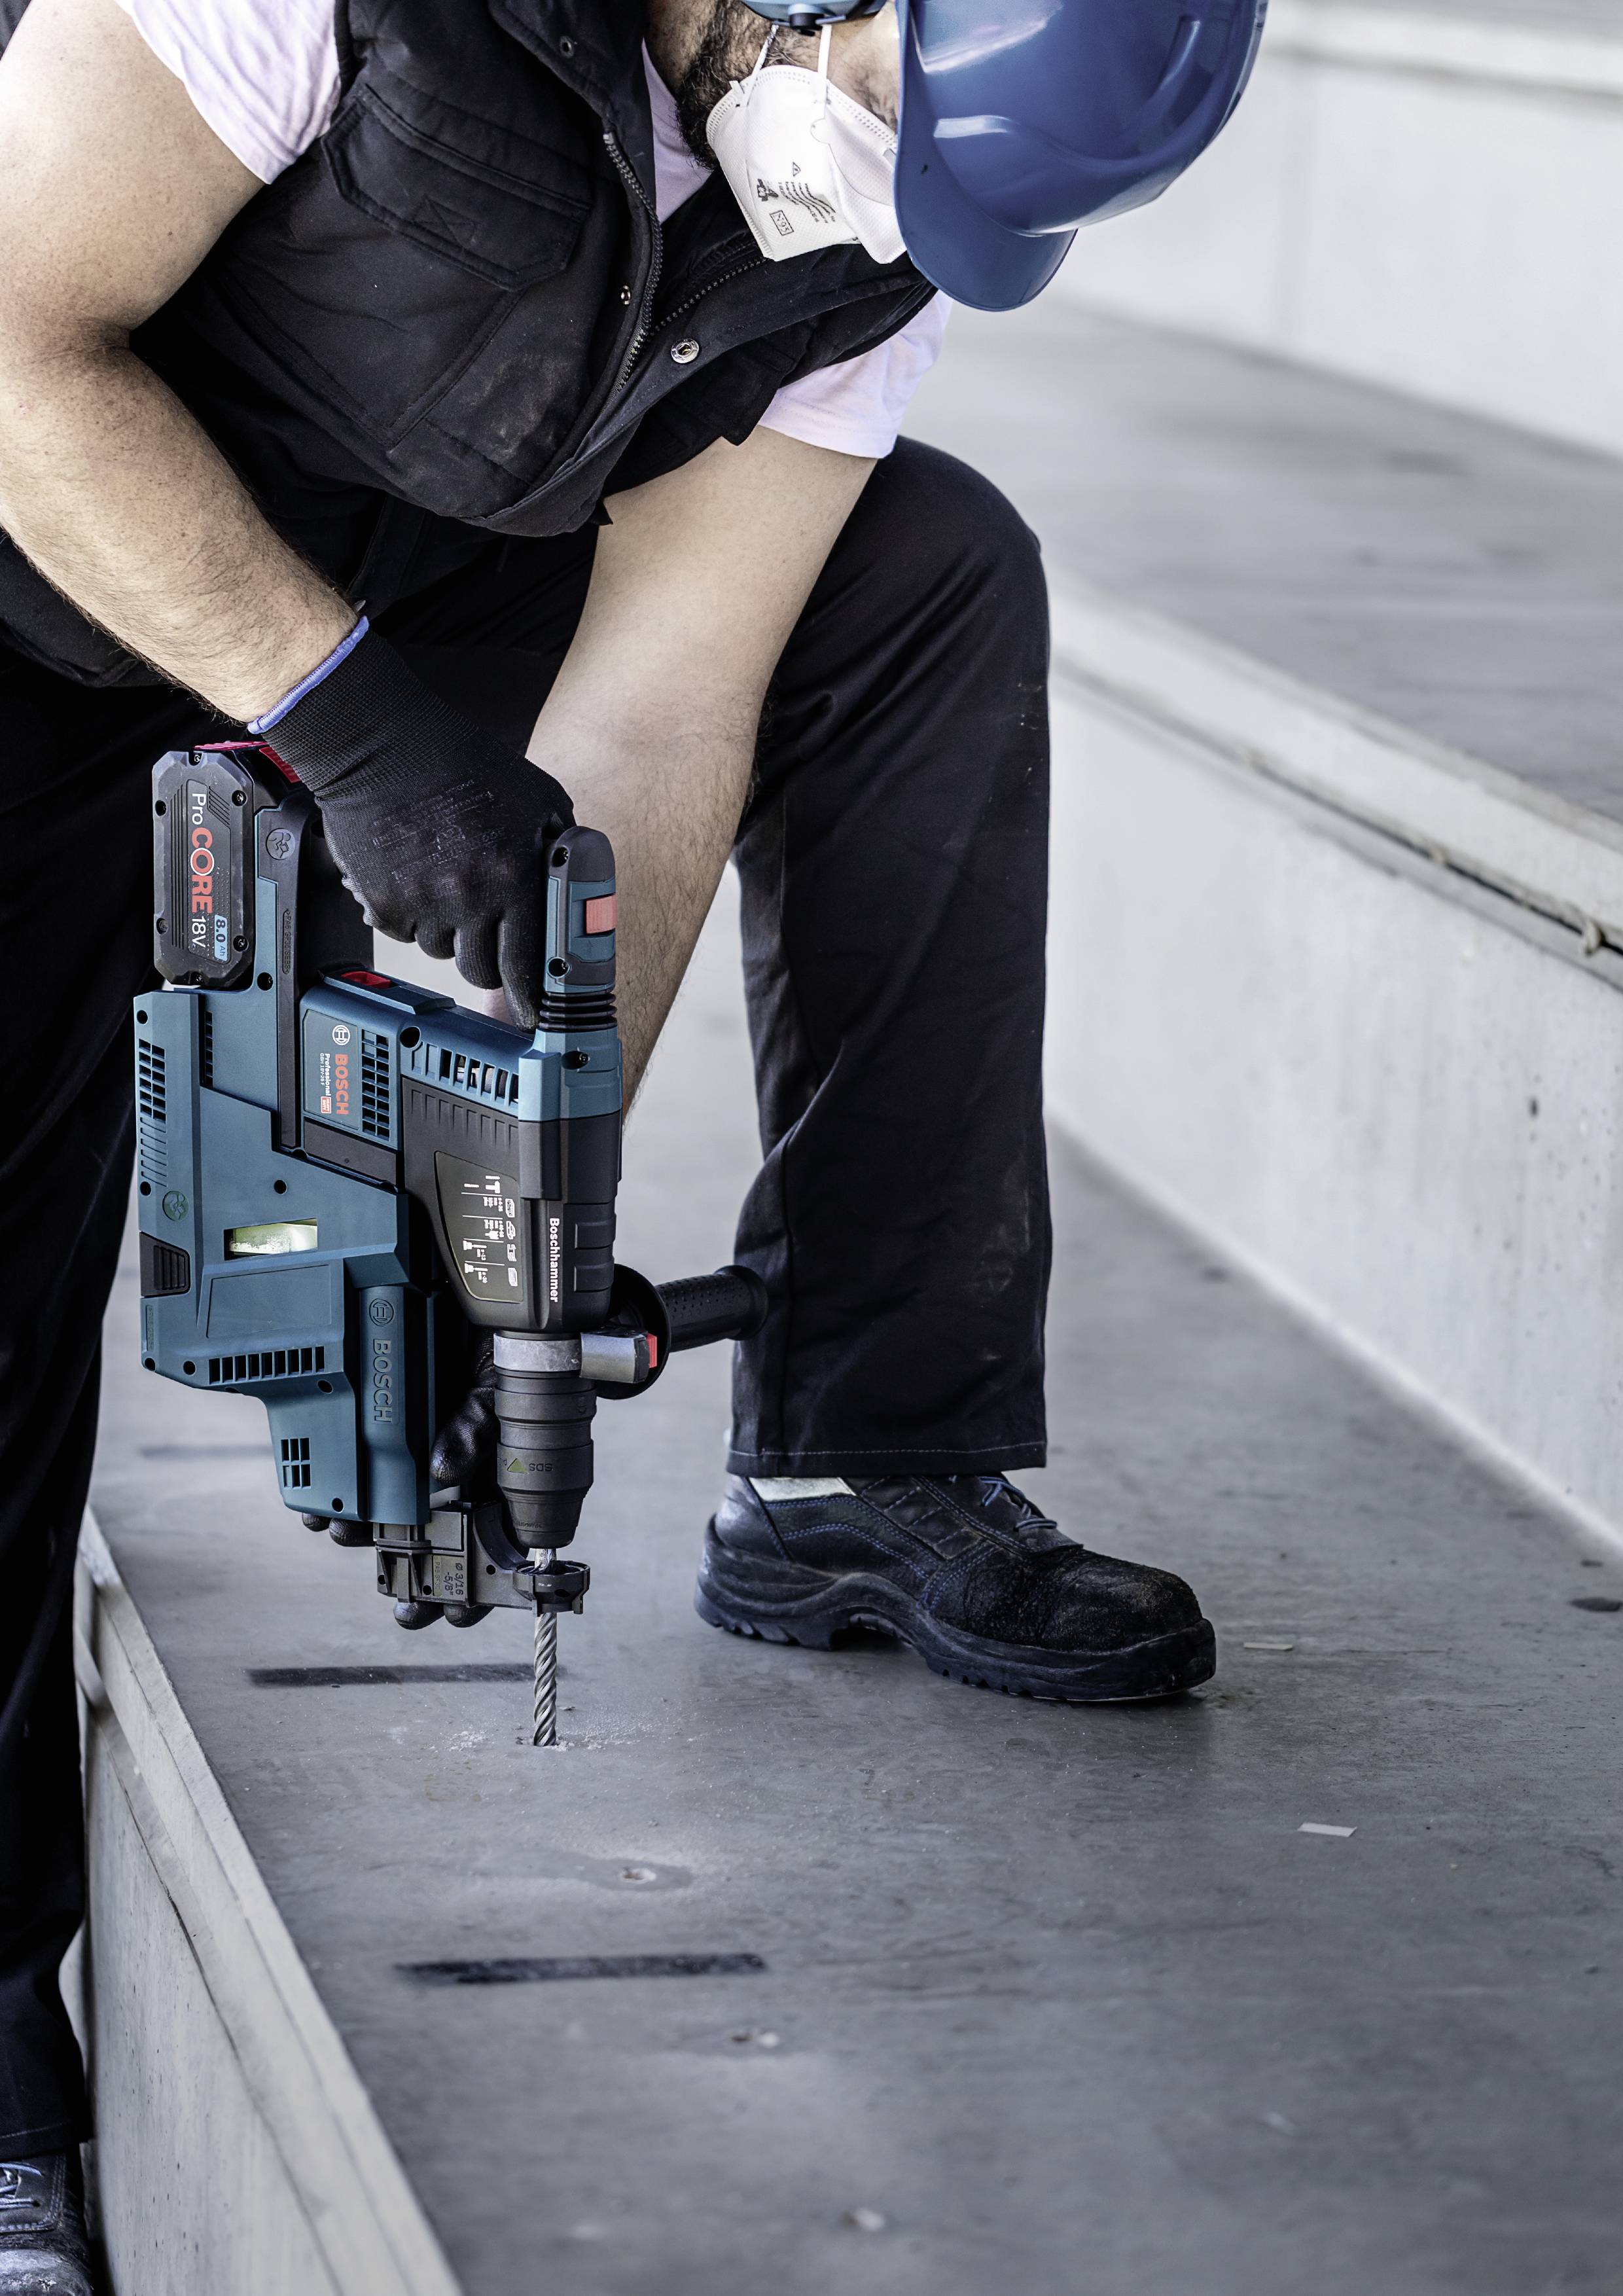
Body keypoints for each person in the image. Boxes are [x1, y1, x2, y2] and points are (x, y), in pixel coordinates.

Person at [0, 0, 1264, 2280]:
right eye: (893, 127)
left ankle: (861, 1465)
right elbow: (14, 357)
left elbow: (670, 698)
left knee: (926, 575)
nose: (877, 210)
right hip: (48, 517)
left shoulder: (861, 256)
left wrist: (520, 1173)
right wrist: (351, 732)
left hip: (400, 556)